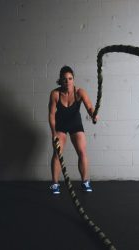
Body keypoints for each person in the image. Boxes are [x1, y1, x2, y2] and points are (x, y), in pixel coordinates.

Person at [48, 65, 97, 195]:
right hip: (61, 126)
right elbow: (52, 115)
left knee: (82, 151)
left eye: (70, 78)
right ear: (61, 80)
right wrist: (53, 134)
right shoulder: (55, 94)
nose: (68, 81)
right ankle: (55, 184)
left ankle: (85, 181)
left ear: (73, 79)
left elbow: (90, 107)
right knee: (57, 153)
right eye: (65, 79)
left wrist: (93, 114)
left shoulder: (79, 92)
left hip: (75, 125)